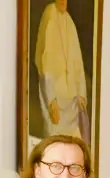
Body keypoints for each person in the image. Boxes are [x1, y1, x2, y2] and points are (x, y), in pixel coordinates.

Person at [34, 0, 90, 142]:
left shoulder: (69, 22)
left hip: (71, 103)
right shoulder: (50, 15)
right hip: (56, 102)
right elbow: (46, 62)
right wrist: (51, 100)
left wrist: (81, 92)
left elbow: (77, 60)